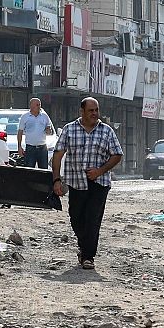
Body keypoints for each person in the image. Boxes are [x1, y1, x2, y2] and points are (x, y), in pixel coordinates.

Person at [50, 97, 123, 270]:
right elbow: (58, 154)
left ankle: (88, 256)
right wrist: (56, 180)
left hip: (99, 183)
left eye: (96, 110)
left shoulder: (106, 131)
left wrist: (100, 170)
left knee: (92, 219)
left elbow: (117, 155)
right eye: (91, 110)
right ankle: (84, 247)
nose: (95, 114)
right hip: (76, 183)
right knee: (76, 217)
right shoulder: (69, 129)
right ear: (81, 111)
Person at [16, 97, 53, 170]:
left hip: (42, 148)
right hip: (30, 148)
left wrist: (48, 131)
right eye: (37, 105)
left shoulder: (44, 116)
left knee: (43, 170)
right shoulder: (25, 117)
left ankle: (41, 182)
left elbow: (49, 130)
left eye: (40, 105)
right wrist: (19, 146)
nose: (39, 107)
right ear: (31, 106)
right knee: (29, 170)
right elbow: (20, 132)